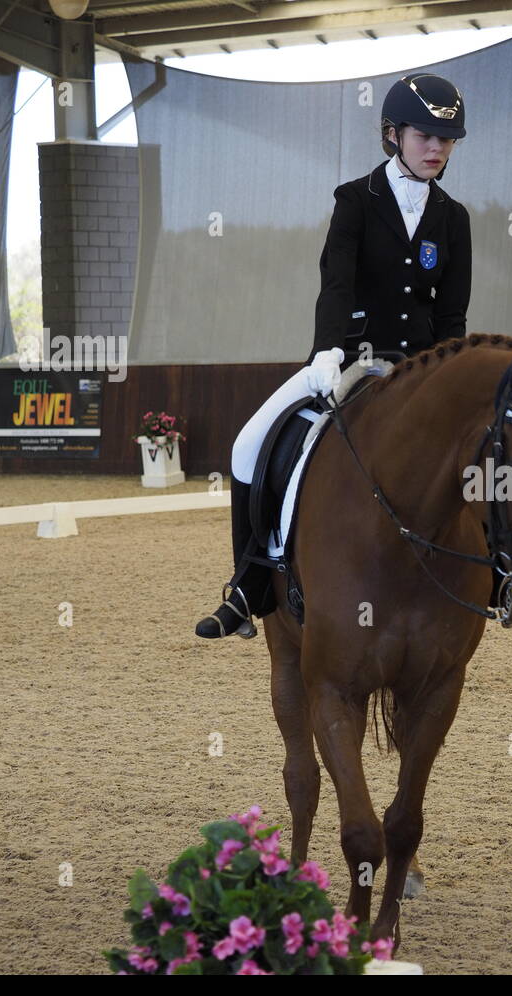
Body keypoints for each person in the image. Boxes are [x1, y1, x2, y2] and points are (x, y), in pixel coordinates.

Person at [195, 72, 473, 639]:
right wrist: (327, 352)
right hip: (347, 358)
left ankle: (492, 577)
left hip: (420, 371)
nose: (437, 149)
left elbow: (451, 316)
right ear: (392, 134)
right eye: (425, 136)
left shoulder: (454, 218)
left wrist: (450, 375)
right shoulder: (355, 200)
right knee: (248, 443)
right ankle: (249, 585)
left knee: (481, 448)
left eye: (447, 140)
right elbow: (336, 285)